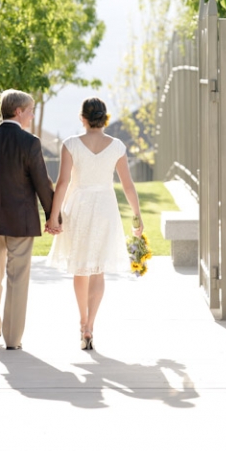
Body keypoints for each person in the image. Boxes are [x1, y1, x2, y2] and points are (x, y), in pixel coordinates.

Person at [45, 97, 144, 350]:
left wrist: (54, 215)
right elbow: (128, 185)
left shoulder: (70, 144)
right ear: (105, 118)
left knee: (81, 268)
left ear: (83, 118)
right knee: (98, 269)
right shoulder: (117, 146)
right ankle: (91, 325)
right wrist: (137, 216)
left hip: (79, 206)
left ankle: (83, 323)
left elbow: (63, 183)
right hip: (105, 208)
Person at [0, 89, 58, 350]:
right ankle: (13, 339)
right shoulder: (30, 143)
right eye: (30, 111)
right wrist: (53, 216)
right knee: (18, 280)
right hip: (21, 222)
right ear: (18, 111)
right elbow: (42, 183)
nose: (32, 115)